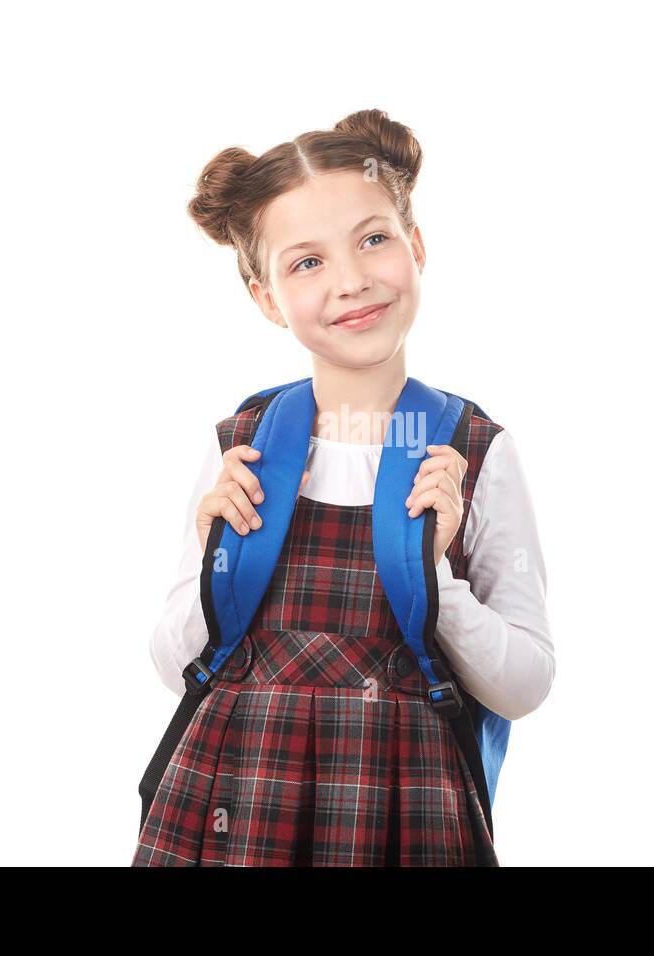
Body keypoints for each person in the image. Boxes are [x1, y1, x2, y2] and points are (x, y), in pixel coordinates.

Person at [132, 108, 554, 866]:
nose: (352, 280)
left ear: (416, 246)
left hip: (399, 817)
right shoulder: (245, 447)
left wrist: (435, 577)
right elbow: (174, 668)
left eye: (373, 239)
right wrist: (212, 558)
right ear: (266, 298)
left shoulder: (471, 453)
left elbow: (524, 685)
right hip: (238, 805)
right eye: (307, 263)